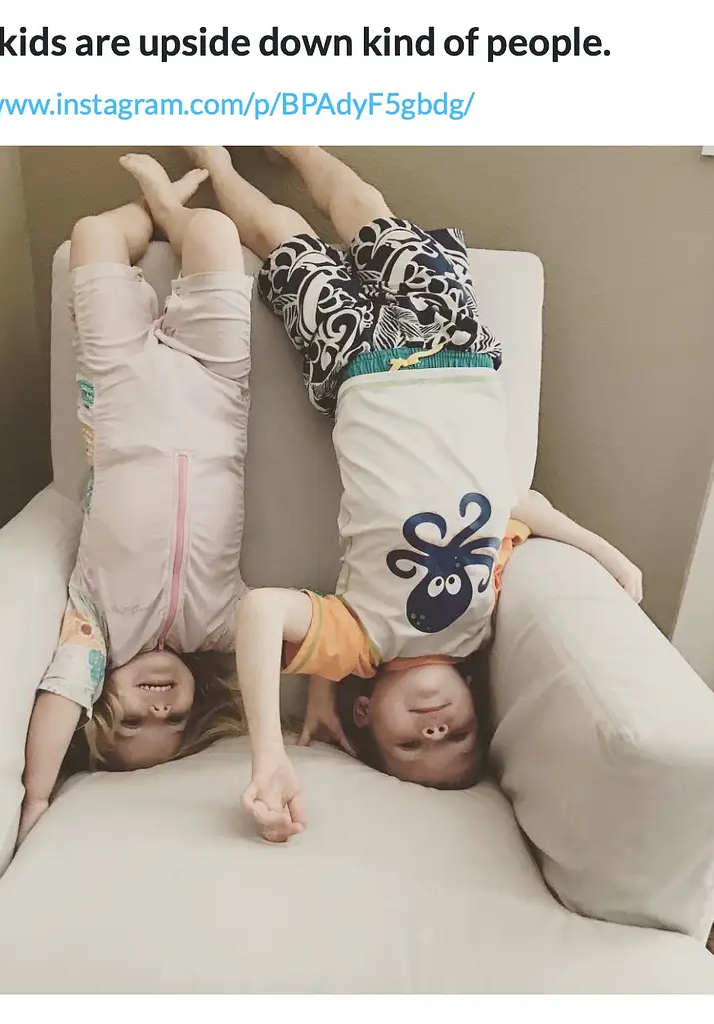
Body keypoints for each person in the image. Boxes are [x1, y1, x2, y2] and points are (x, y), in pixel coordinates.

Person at [183, 146, 643, 843]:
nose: (434, 730)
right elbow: (514, 506)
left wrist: (269, 750)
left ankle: (218, 168)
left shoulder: (363, 641)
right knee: (364, 207)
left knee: (281, 239)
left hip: (356, 365)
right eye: (455, 737)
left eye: (413, 745)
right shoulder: (478, 621)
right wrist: (610, 556)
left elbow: (259, 613)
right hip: (452, 344)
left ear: (367, 720)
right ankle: (298, 145)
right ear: (475, 710)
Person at [18, 154, 253, 845]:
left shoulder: (94, 628)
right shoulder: (218, 626)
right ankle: (173, 210)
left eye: (129, 723)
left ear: (99, 704)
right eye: (174, 725)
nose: (158, 709)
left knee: (91, 233)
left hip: (118, 382)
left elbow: (57, 699)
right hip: (216, 387)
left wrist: (37, 800)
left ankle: (148, 211)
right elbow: (294, 638)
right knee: (212, 234)